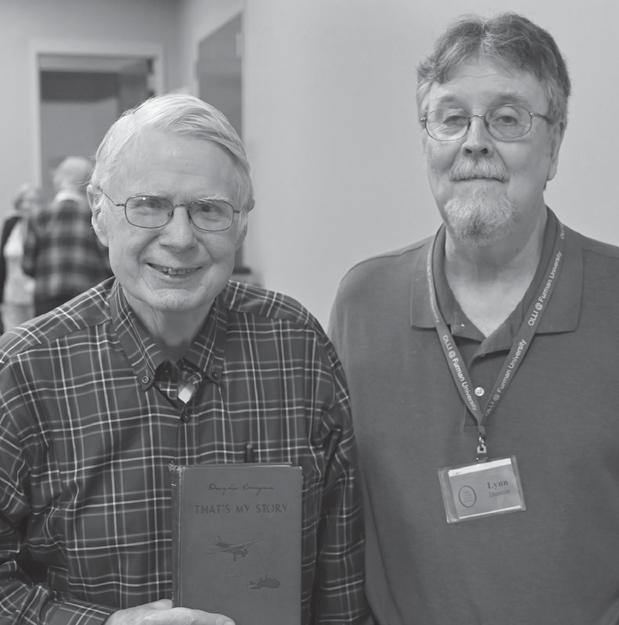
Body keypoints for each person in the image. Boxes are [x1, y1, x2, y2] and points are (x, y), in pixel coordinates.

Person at [0, 93, 368, 625]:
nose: (179, 238)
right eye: (149, 204)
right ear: (100, 215)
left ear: (242, 224)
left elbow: (341, 583)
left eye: (208, 209)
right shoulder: (22, 374)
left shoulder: (297, 349)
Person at [329, 12, 619, 625]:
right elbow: (337, 516)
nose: (474, 141)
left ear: (554, 145)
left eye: (507, 118)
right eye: (451, 117)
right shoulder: (363, 304)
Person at [22, 155, 112, 316]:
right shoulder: (94, 216)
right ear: (88, 182)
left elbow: (28, 265)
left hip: (47, 294)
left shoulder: (39, 216)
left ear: (59, 179)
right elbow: (109, 262)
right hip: (88, 297)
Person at [0, 183, 42, 331]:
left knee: (34, 336)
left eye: (32, 201)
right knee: (11, 336)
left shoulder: (43, 224)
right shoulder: (11, 223)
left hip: (34, 294)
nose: (27, 205)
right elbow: (2, 262)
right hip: (11, 294)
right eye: (24, 200)